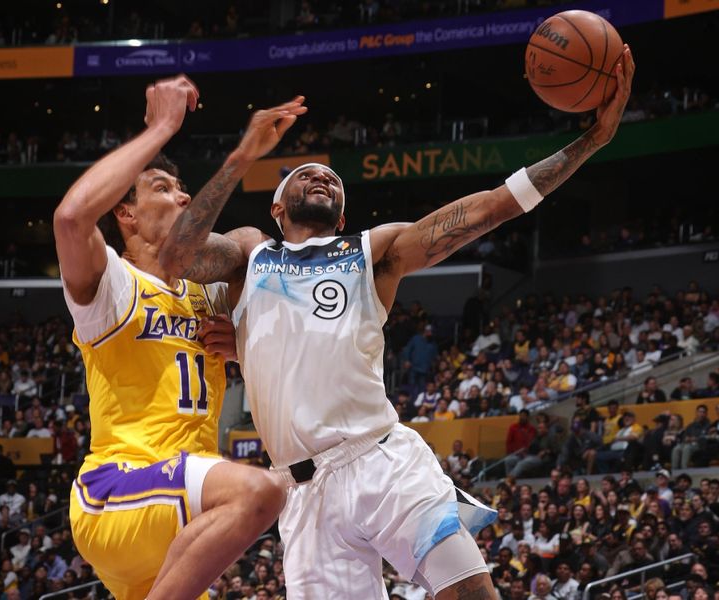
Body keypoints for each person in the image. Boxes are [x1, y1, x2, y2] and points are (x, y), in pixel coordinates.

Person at [159, 47, 635, 600]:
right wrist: (241, 158)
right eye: (306, 175)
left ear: (342, 217)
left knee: (473, 594)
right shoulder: (251, 254)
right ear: (276, 208)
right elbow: (176, 257)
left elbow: (491, 207)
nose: (321, 178)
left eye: (332, 181)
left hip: (381, 458)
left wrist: (592, 140)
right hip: (301, 489)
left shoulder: (373, 250)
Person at [53, 75, 288, 600]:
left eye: (182, 188)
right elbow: (70, 218)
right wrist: (161, 127)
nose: (181, 195)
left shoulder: (209, 295)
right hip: (118, 489)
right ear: (125, 212)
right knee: (263, 491)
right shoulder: (114, 285)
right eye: (162, 188)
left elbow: (252, 246)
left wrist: (247, 342)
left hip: (179, 521)